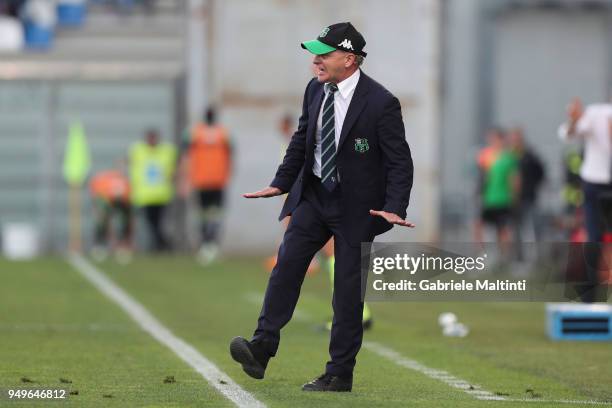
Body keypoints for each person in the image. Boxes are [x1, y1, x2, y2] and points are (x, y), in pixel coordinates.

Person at [229, 22, 414, 392]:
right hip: (313, 197)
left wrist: (395, 206)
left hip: (357, 209)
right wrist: (281, 182)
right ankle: (262, 346)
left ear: (349, 59)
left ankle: (339, 373)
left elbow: (399, 161)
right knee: (286, 268)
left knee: (347, 293)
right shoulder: (314, 90)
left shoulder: (381, 102)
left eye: (323, 54)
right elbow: (302, 141)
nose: (315, 61)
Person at [558, 97, 612, 301]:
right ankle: (590, 297)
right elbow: (568, 134)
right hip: (595, 184)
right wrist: (573, 119)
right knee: (594, 238)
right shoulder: (596, 113)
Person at [180, 106, 233, 264]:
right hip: (212, 180)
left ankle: (208, 244)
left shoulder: (195, 132)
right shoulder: (222, 132)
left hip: (206, 180)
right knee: (210, 214)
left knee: (209, 214)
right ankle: (208, 244)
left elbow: (184, 155)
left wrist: (184, 179)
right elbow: (231, 154)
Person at [474, 128, 519, 261]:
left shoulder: (508, 157)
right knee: (478, 226)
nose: (491, 141)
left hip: (503, 199)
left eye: (494, 138)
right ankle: (482, 256)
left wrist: (514, 197)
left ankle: (504, 258)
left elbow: (514, 179)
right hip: (488, 199)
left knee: (503, 230)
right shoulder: (485, 155)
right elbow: (481, 176)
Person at [129, 129, 177, 252]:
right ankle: (161, 244)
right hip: (145, 196)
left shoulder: (166, 151)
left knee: (158, 223)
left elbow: (175, 166)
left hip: (162, 195)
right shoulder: (138, 150)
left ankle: (160, 245)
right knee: (151, 223)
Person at [507, 128, 545, 262]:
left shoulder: (529, 156)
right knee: (514, 231)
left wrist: (530, 186)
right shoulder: (507, 156)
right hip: (510, 200)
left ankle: (532, 259)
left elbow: (540, 173)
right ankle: (517, 259)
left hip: (527, 198)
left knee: (529, 229)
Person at [89, 163, 133, 263]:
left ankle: (123, 245)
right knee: (102, 222)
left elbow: (127, 210)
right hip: (105, 201)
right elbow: (98, 201)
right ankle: (99, 244)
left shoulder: (125, 185)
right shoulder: (105, 184)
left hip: (118, 203)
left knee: (124, 221)